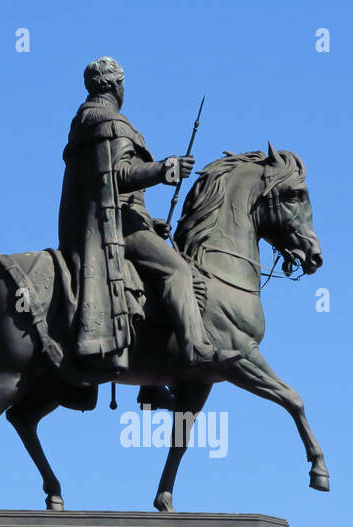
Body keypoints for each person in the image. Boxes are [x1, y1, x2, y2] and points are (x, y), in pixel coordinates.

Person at [58, 56, 240, 369]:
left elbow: (109, 188)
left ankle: (152, 376)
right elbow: (118, 175)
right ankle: (195, 348)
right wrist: (165, 169)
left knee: (174, 274)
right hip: (114, 229)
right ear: (117, 85)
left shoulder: (86, 121)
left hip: (109, 223)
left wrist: (151, 223)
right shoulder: (110, 122)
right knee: (178, 272)